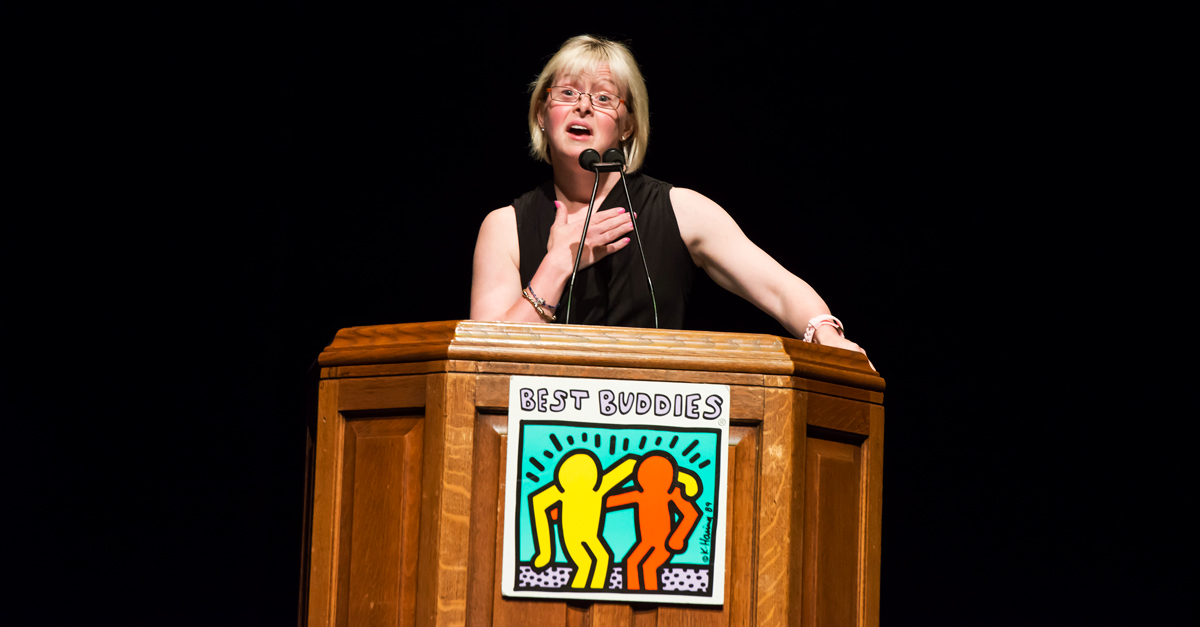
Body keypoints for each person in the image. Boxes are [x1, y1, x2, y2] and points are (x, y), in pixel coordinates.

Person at [470, 35, 868, 360]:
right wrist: (557, 264)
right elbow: (480, 359)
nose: (584, 106)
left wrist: (826, 333)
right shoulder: (505, 227)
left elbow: (779, 289)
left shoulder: (681, 210)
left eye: (604, 98)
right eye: (568, 92)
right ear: (542, 114)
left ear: (627, 126)